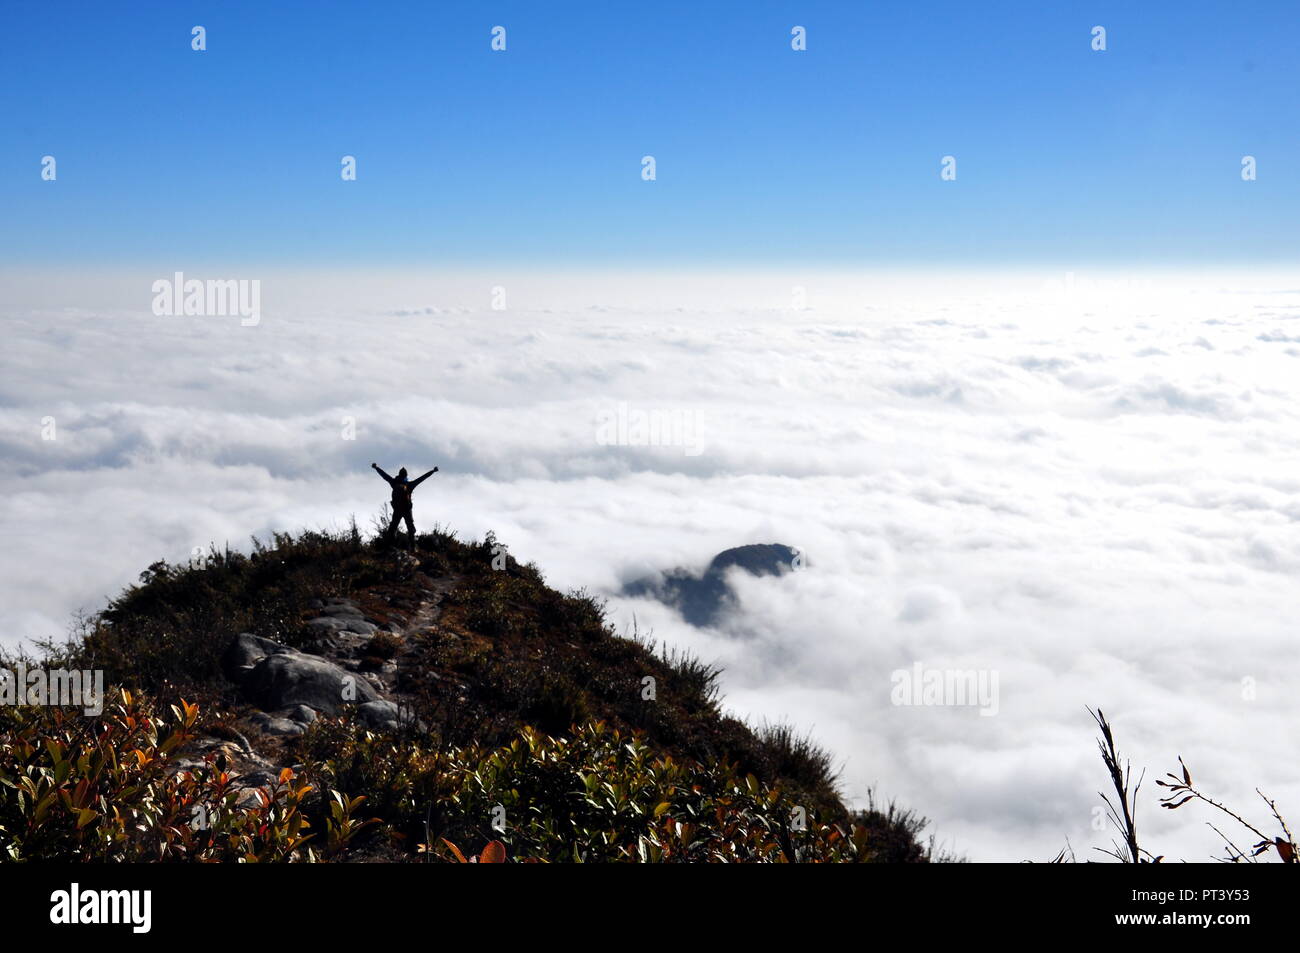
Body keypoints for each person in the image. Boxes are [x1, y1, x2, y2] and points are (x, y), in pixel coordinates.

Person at [372, 462, 438, 550]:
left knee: (392, 528)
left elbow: (384, 475)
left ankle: (389, 546)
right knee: (410, 529)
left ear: (399, 475)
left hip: (397, 510)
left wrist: (376, 468)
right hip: (407, 510)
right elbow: (422, 478)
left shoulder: (394, 482)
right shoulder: (410, 485)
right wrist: (432, 471)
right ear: (406, 476)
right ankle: (413, 546)